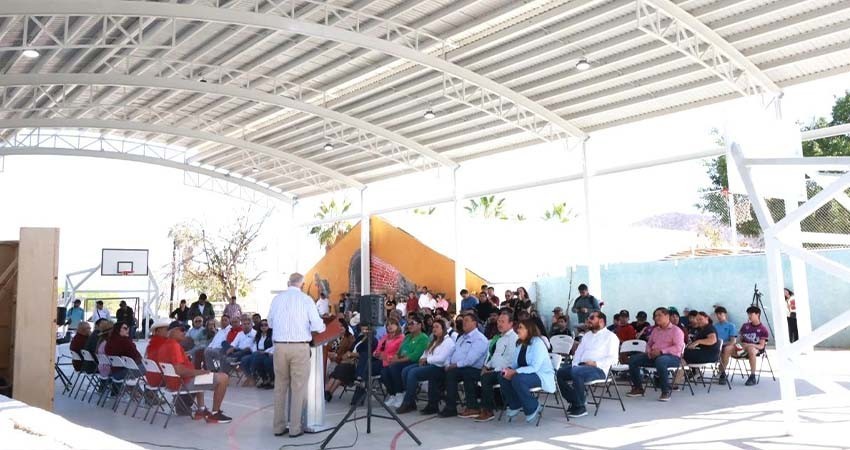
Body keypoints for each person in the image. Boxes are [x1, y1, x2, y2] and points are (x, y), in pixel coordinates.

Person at [267, 272, 326, 438]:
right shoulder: (306, 300)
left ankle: (278, 427)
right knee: (298, 387)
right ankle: (294, 428)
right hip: (299, 347)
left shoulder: (277, 299)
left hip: (279, 346)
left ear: (288, 283)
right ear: (302, 284)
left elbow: (270, 322)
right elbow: (317, 325)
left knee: (280, 387)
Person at [147, 319, 232, 423]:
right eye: (181, 330)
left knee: (200, 374)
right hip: (182, 383)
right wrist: (202, 372)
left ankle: (201, 410)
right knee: (223, 378)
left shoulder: (165, 345)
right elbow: (180, 370)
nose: (185, 332)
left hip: (172, 383)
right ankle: (215, 414)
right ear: (172, 331)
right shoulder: (174, 346)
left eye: (185, 330)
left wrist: (198, 371)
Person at [557, 311, 619, 417]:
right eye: (588, 318)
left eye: (591, 318)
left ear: (601, 321)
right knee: (559, 373)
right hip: (581, 367)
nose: (588, 320)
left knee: (577, 372)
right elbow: (578, 353)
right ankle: (575, 400)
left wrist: (595, 363)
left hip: (599, 369)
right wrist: (575, 364)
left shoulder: (611, 337)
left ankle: (580, 407)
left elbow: (614, 359)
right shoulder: (587, 336)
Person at [498, 319, 554, 423]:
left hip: (540, 375)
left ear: (529, 330)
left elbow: (535, 367)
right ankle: (515, 404)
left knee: (518, 379)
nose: (517, 330)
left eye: (520, 328)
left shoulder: (537, 343)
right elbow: (514, 363)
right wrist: (508, 370)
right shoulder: (520, 344)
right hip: (524, 374)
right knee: (502, 376)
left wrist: (515, 372)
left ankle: (533, 406)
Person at [395, 318, 455, 414]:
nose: (434, 329)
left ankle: (408, 401)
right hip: (430, 365)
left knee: (413, 373)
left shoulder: (448, 342)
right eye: (433, 327)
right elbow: (425, 353)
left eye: (437, 327)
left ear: (443, 329)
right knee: (405, 370)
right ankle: (411, 401)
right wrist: (422, 359)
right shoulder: (434, 341)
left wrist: (427, 360)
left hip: (439, 368)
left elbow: (441, 359)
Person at [626, 307, 685, 401]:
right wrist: (649, 352)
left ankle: (665, 391)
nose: (656, 318)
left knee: (661, 360)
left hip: (672, 357)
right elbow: (649, 344)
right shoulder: (655, 330)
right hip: (654, 356)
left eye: (659, 315)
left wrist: (661, 351)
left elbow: (678, 347)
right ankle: (638, 388)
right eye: (655, 316)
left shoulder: (676, 330)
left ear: (667, 316)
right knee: (633, 359)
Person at [439, 312, 489, 418]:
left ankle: (470, 407)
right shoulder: (461, 337)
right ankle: (437, 404)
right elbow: (452, 352)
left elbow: (470, 360)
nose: (463, 323)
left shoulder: (479, 339)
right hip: (460, 367)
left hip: (475, 369)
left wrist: (455, 365)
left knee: (457, 373)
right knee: (439, 371)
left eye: (466, 320)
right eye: (463, 320)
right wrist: (448, 363)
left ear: (474, 323)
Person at [474, 310, 518, 422]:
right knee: (472, 373)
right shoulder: (499, 338)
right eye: (498, 321)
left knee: (486, 378)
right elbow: (494, 356)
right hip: (494, 369)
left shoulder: (514, 339)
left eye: (503, 321)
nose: (499, 324)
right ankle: (474, 405)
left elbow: (511, 361)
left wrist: (492, 371)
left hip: (506, 371)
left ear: (511, 323)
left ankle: (488, 410)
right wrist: (486, 366)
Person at [382, 315, 429, 407]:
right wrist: (395, 357)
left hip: (414, 362)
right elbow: (399, 351)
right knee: (384, 371)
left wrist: (397, 361)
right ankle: (393, 395)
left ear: (419, 325)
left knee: (394, 368)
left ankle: (400, 394)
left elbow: (415, 356)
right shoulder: (407, 337)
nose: (409, 326)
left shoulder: (423, 338)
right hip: (402, 361)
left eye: (412, 324)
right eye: (408, 324)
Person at [720, 306, 769, 386]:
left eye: (751, 314)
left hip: (754, 348)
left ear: (758, 314)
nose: (749, 316)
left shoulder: (763, 329)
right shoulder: (745, 326)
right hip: (742, 348)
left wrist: (749, 345)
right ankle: (723, 373)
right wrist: (737, 345)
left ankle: (752, 376)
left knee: (751, 349)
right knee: (727, 348)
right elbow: (740, 340)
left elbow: (761, 346)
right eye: (748, 314)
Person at [324, 319, 356, 400]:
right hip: (330, 358)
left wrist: (337, 356)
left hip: (341, 360)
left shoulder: (350, 338)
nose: (340, 328)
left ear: (345, 327)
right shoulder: (333, 337)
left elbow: (349, 353)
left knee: (335, 369)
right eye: (338, 326)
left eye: (342, 326)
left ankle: (327, 392)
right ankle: (326, 392)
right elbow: (327, 348)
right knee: (324, 366)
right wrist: (328, 353)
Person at [241, 319, 275, 388]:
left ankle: (271, 380)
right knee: (245, 359)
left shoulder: (272, 335)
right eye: (262, 325)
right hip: (257, 353)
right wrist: (255, 352)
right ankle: (263, 379)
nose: (263, 326)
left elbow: (275, 346)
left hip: (268, 354)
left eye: (266, 325)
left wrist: (265, 352)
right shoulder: (258, 335)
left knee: (265, 361)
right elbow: (254, 346)